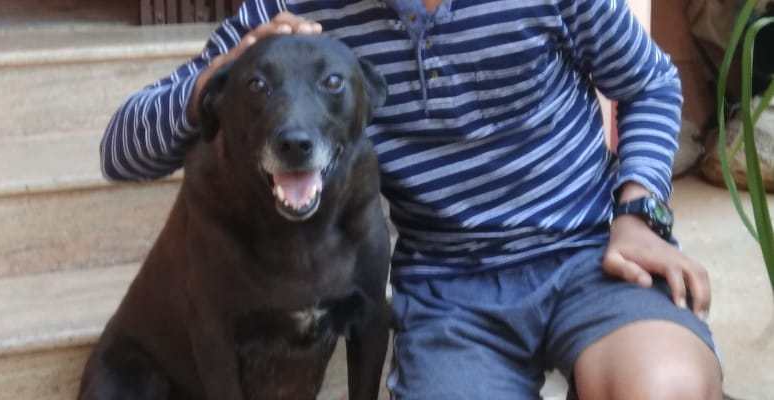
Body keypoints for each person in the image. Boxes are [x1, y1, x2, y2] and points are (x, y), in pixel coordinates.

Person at [100, 1, 723, 398]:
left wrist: (640, 213)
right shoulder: (292, 10)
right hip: (450, 291)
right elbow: (122, 151)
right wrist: (220, 76)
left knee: (662, 388)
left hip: (589, 253)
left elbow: (650, 83)